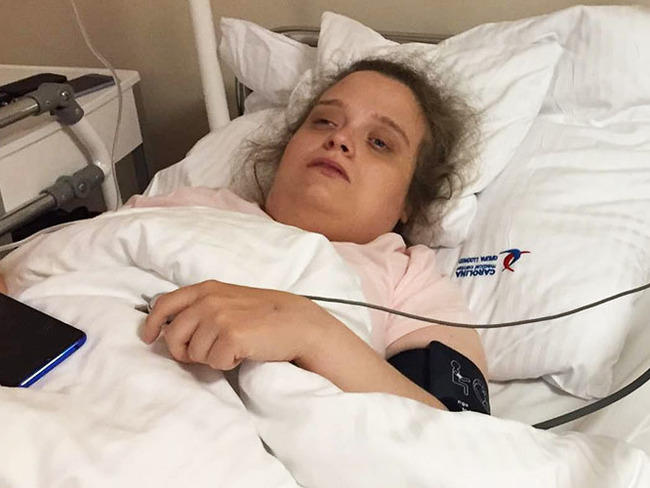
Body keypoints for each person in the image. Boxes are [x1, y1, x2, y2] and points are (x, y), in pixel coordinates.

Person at [0, 58, 489, 413]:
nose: (339, 139)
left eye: (379, 142)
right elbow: (43, 267)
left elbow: (451, 435)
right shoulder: (187, 205)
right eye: (323, 121)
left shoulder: (406, 276)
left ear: (409, 200)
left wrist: (310, 330)